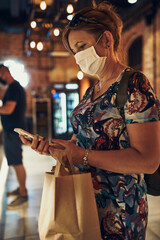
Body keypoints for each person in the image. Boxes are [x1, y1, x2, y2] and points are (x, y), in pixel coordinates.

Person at [20, 2, 160, 239]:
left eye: (81, 46)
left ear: (106, 40)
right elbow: (81, 142)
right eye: (74, 51)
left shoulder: (135, 83)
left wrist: (82, 155)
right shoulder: (92, 91)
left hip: (120, 210)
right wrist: (56, 149)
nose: (77, 57)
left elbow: (148, 161)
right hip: (83, 199)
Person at [0, 64, 28, 210]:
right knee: (16, 162)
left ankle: (23, 194)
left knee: (17, 163)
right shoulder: (14, 88)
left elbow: (8, 109)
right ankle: (21, 188)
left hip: (13, 131)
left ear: (4, 73)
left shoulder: (13, 88)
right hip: (12, 131)